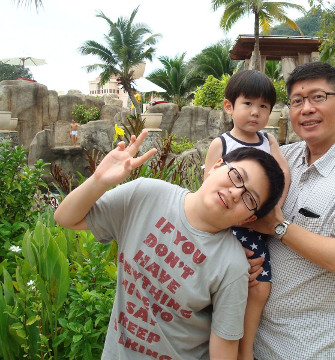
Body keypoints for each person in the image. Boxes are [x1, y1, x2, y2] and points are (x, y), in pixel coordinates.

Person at [54, 130, 285, 360]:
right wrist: (99, 181)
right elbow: (66, 218)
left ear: (248, 219)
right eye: (237, 176)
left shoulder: (233, 265)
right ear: (215, 166)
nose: (236, 192)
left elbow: (223, 352)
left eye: (250, 199)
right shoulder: (145, 195)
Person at [248, 62, 335, 359]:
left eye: (318, 97)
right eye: (297, 101)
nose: (307, 109)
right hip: (247, 338)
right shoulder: (282, 159)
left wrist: (279, 226)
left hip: (304, 348)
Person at [204, 70, 290, 360]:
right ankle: (224, 347)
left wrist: (271, 211)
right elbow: (208, 186)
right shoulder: (223, 144)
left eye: (264, 106)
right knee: (230, 289)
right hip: (227, 232)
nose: (256, 112)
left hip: (256, 227)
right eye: (248, 104)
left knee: (260, 287)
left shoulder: (268, 142)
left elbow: (283, 175)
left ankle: (246, 350)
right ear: (229, 106)